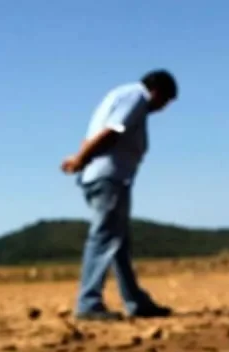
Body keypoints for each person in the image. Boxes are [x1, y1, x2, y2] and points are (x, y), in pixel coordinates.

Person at [61, 69, 178, 321]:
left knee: (118, 243)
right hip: (110, 178)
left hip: (101, 176)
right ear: (157, 91)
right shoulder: (136, 98)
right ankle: (88, 303)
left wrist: (80, 159)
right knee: (104, 238)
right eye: (165, 101)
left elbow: (93, 134)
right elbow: (112, 131)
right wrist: (81, 159)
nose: (163, 108)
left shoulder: (118, 95)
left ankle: (136, 301)